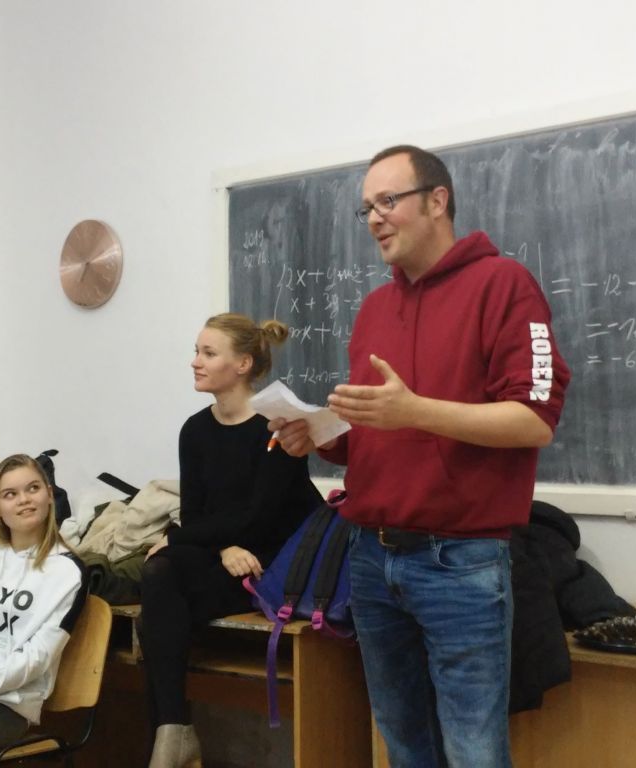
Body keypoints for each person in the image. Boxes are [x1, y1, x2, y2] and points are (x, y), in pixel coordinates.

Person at [271, 145, 570, 768]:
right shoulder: (376, 308)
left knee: (473, 750)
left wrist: (415, 411)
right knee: (404, 742)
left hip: (460, 562)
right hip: (370, 556)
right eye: (367, 209)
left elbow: (534, 420)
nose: (375, 219)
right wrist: (317, 434)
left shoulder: (503, 284)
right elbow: (372, 434)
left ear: (438, 201)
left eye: (388, 201)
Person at [140, 313, 322, 768]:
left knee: (164, 596)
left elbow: (257, 518)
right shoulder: (195, 430)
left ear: (243, 364)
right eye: (196, 351)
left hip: (273, 564)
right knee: (160, 574)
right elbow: (198, 514)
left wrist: (179, 538)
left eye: (208, 353)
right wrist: (219, 547)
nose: (195, 362)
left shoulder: (277, 429)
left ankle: (170, 737)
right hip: (230, 555)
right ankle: (173, 730)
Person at [0, 454, 87, 757]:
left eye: (33, 488)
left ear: (49, 494)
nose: (24, 499)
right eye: (10, 494)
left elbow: (37, 659)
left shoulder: (67, 572)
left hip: (6, 704)